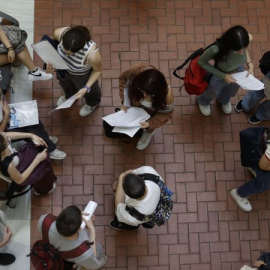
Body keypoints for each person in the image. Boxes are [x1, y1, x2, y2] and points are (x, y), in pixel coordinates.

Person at [45, 25, 102, 117]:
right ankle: (69, 96)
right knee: (66, 85)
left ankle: (92, 103)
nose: (66, 55)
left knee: (91, 92)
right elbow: (53, 46)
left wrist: (86, 88)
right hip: (63, 70)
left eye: (71, 54)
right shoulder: (58, 33)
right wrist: (51, 63)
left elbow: (97, 71)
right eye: (64, 50)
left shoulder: (92, 55)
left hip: (82, 76)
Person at [197, 25, 253, 116]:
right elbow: (201, 62)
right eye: (238, 51)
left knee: (231, 91)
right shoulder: (215, 49)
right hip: (220, 75)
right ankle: (203, 102)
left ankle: (224, 100)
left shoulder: (246, 39)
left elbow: (244, 51)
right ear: (230, 45)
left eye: (244, 49)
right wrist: (224, 76)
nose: (242, 53)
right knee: (211, 91)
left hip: (238, 73)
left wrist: (250, 64)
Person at [119, 63, 174, 150]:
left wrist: (150, 124)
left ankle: (148, 133)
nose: (144, 95)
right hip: (132, 105)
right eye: (141, 90)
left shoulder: (167, 97)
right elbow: (123, 79)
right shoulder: (136, 71)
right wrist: (125, 101)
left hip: (150, 115)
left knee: (149, 128)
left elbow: (166, 114)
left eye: (149, 94)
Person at [0, 89, 66, 160]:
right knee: (29, 129)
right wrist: (6, 115)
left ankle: (44, 138)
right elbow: (1, 134)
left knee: (31, 117)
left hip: (5, 117)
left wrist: (2, 101)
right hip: (3, 132)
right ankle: (49, 149)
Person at [38, 205, 107, 270]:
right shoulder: (83, 251)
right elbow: (93, 260)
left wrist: (75, 217)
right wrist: (92, 230)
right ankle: (82, 267)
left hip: (54, 252)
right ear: (79, 228)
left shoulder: (44, 220)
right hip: (72, 259)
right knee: (98, 248)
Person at [0, 131, 57, 195]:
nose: (6, 135)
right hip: (19, 172)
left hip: (18, 161)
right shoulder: (7, 164)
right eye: (6, 138)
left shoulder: (2, 143)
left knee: (36, 149)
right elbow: (20, 180)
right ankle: (43, 190)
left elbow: (7, 135)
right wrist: (37, 160)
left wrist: (31, 135)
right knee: (43, 166)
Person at [109, 166, 162, 230]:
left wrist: (120, 179)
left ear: (127, 195)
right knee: (140, 218)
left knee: (129, 222)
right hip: (155, 203)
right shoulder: (148, 171)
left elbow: (118, 206)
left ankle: (126, 226)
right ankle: (146, 221)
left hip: (137, 217)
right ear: (142, 181)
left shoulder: (131, 217)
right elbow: (132, 174)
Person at [231, 142, 270, 212]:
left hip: (260, 149)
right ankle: (238, 194)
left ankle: (253, 167)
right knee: (263, 185)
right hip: (264, 159)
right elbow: (263, 165)